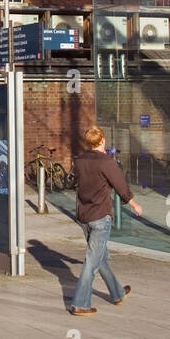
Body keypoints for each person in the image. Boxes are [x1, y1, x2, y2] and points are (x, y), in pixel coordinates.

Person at [69, 126, 143, 316]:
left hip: (84, 216)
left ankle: (117, 293)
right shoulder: (106, 162)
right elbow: (121, 186)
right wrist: (134, 204)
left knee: (99, 257)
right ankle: (80, 304)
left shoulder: (79, 161)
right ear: (102, 140)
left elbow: (76, 184)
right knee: (91, 262)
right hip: (100, 216)